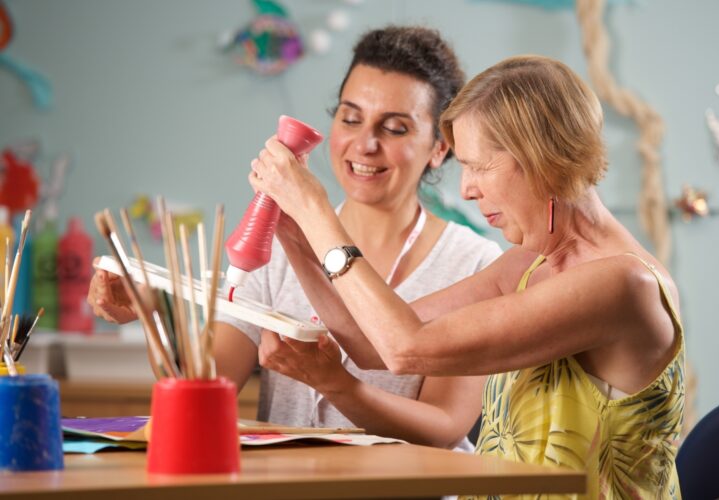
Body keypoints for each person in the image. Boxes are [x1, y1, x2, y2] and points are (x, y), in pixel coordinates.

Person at [248, 54, 685, 497]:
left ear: (543, 158)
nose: (466, 189)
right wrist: (296, 236)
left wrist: (316, 211)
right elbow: (369, 341)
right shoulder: (527, 264)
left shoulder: (625, 284)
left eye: (479, 166)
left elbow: (405, 348)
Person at [87, 26, 502, 451]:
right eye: (350, 118)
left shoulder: (474, 264)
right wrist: (156, 315)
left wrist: (338, 385)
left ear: (439, 147)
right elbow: (207, 384)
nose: (365, 144)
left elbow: (442, 427)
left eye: (395, 128)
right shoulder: (276, 243)